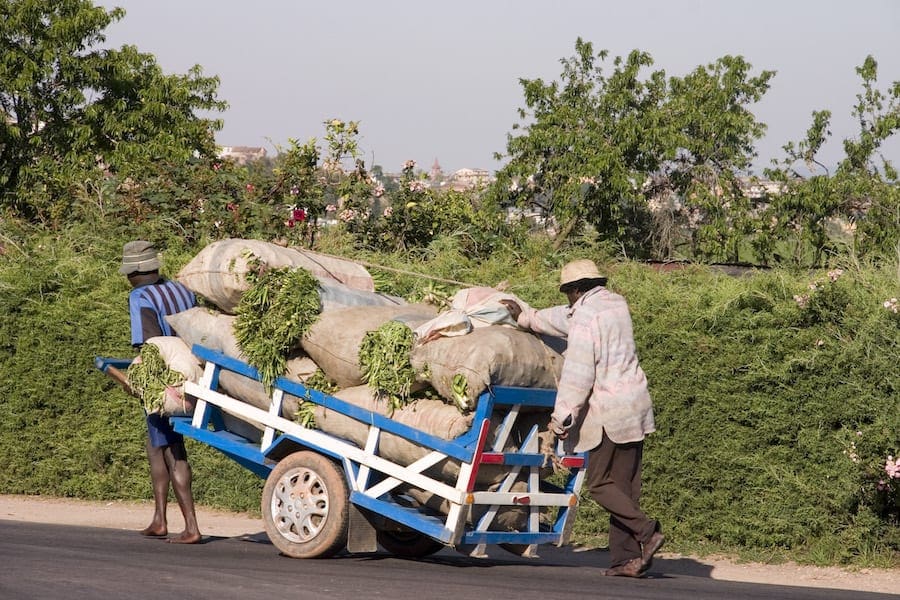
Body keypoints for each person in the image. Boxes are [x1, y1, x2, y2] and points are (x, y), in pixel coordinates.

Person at [500, 259, 664, 577]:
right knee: (624, 489)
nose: (567, 300)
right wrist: (526, 316)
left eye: (567, 294)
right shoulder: (614, 305)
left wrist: (562, 418)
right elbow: (563, 318)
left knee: (601, 484)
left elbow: (578, 372)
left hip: (609, 409)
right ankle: (626, 561)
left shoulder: (586, 317)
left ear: (575, 290)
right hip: (635, 404)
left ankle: (647, 531)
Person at [120, 240, 202, 544]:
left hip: (166, 381)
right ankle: (159, 519)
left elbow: (153, 346)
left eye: (130, 272)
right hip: (195, 374)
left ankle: (192, 526)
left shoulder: (140, 296)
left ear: (139, 272)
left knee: (171, 447)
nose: (129, 278)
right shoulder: (183, 290)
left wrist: (144, 380)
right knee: (154, 444)